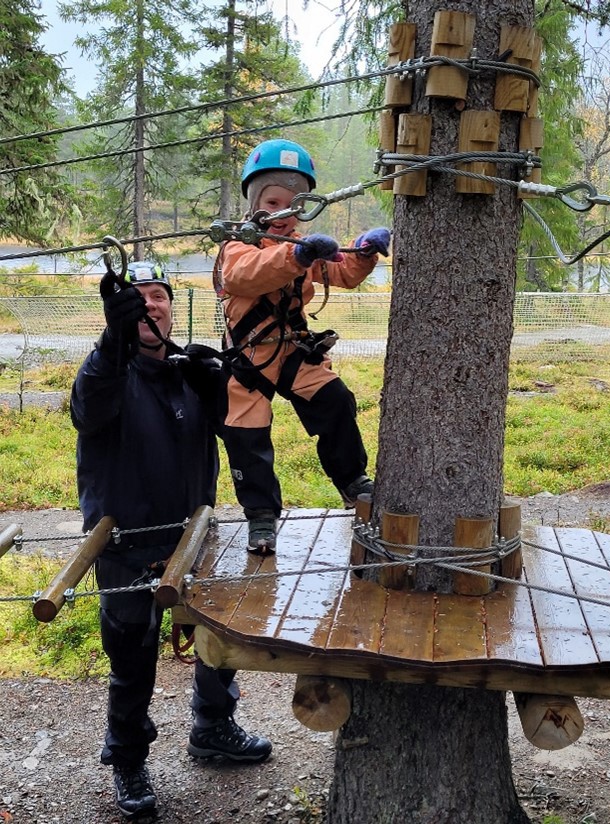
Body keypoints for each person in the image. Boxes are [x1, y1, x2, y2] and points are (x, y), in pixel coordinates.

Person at [70, 261, 271, 820]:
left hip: (195, 535)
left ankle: (213, 727)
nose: (150, 305)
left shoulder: (187, 370)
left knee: (214, 642)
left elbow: (245, 428)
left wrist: (222, 379)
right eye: (137, 298)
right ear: (120, 313)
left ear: (169, 307)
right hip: (125, 543)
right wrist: (112, 341)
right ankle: (129, 758)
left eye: (158, 296)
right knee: (131, 657)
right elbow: (89, 408)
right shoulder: (105, 371)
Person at [209, 138, 390, 555]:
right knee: (246, 435)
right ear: (254, 203)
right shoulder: (237, 247)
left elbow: (342, 273)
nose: (282, 214)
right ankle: (260, 517)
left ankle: (352, 482)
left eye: (293, 205)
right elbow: (246, 276)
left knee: (335, 400)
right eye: (272, 202)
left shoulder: (301, 245)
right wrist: (299, 257)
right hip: (249, 359)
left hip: (292, 352)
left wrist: (362, 252)